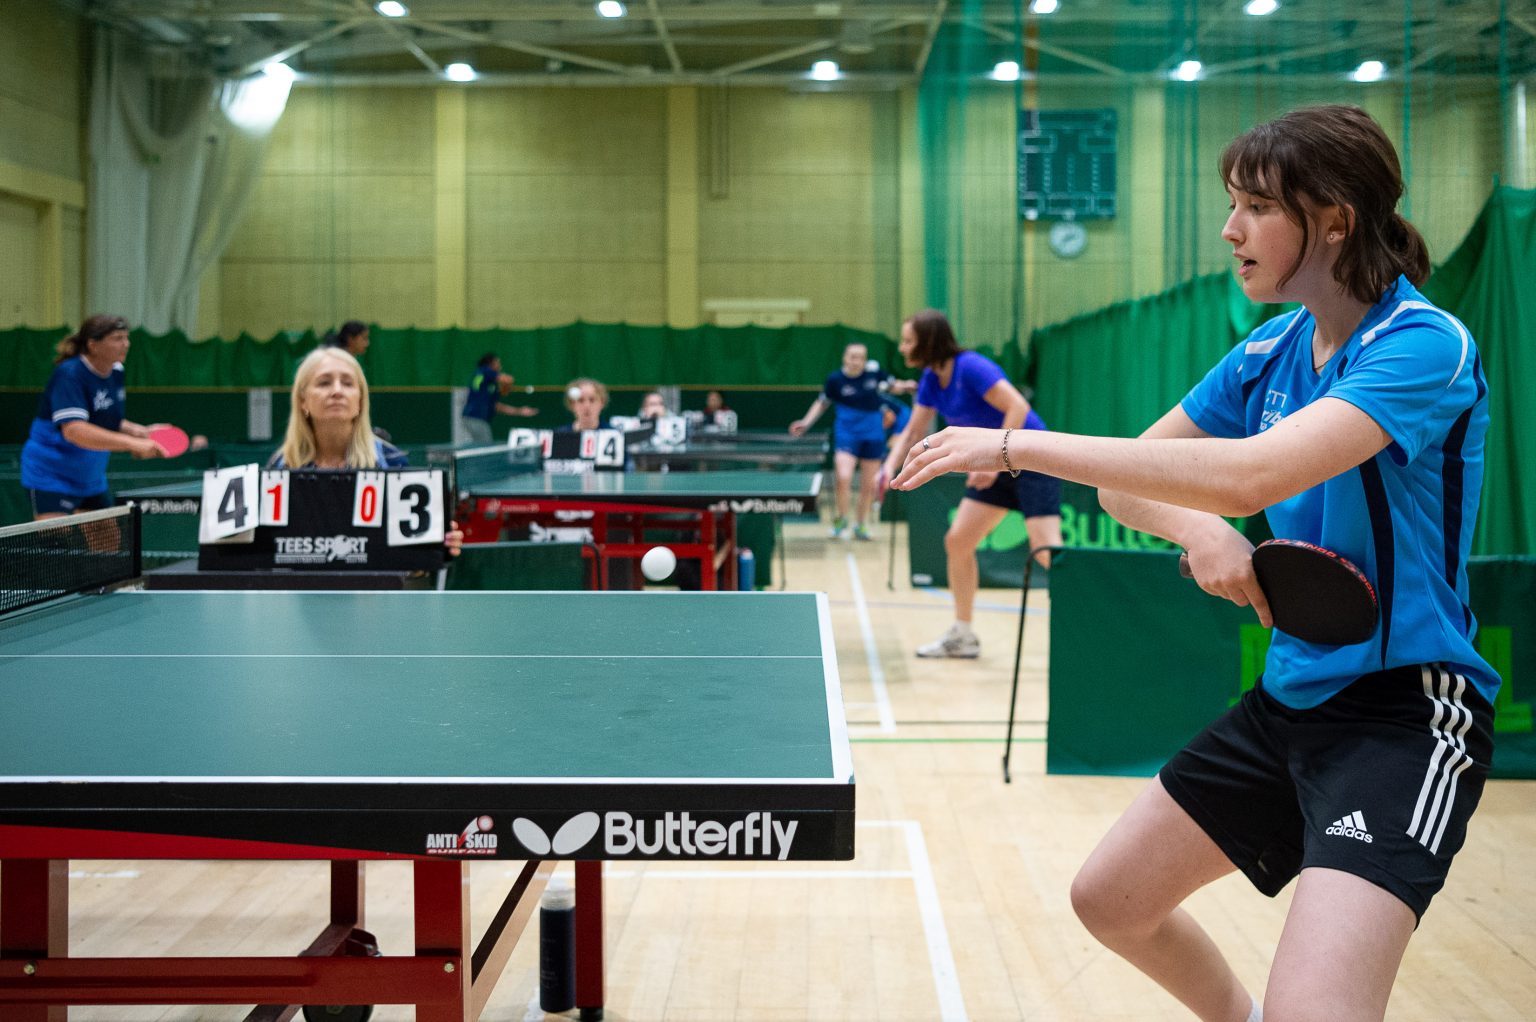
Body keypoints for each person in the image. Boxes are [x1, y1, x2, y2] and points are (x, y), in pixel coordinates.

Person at [891, 105, 1495, 1022]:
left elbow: (1256, 470)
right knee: (1113, 900)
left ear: (1334, 218)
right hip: (1288, 699)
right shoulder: (1269, 349)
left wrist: (1021, 447)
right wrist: (1201, 532)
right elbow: (1133, 484)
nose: (1230, 229)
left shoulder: (1422, 345)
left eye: (1256, 205)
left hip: (1405, 717)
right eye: (1232, 203)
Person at [883, 312, 1062, 657]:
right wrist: (889, 466)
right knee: (959, 540)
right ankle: (963, 635)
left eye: (908, 340)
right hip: (996, 463)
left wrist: (996, 463)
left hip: (1033, 457)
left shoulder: (971, 367)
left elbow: (1018, 406)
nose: (903, 348)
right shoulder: (931, 378)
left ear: (928, 340)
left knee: (1046, 550)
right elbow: (915, 430)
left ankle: (1092, 613)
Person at [272, 346, 461, 555]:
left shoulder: (391, 461)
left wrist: (433, 546)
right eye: (324, 383)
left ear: (360, 400)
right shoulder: (280, 468)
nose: (337, 391)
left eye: (347, 383)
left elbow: (412, 567)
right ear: (302, 401)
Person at [20, 314, 177, 519]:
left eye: (126, 337)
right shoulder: (70, 374)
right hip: (52, 475)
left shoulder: (116, 372)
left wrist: (140, 432)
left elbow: (107, 419)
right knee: (56, 546)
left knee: (110, 546)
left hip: (90, 478)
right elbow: (74, 431)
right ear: (93, 344)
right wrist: (132, 444)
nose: (126, 344)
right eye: (117, 338)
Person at [791, 343, 906, 541]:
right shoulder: (835, 380)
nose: (856, 361)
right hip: (847, 433)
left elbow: (893, 385)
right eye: (852, 356)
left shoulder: (874, 374)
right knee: (843, 476)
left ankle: (860, 524)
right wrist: (805, 422)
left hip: (873, 434)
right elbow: (822, 403)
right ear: (845, 358)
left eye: (860, 357)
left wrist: (908, 385)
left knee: (868, 485)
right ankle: (842, 518)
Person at [462, 353, 536, 444]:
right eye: (498, 362)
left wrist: (520, 411)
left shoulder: (489, 387)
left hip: (474, 418)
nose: (500, 366)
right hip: (475, 417)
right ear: (491, 363)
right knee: (485, 447)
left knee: (480, 446)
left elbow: (497, 406)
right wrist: (506, 387)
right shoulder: (485, 371)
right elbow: (508, 379)